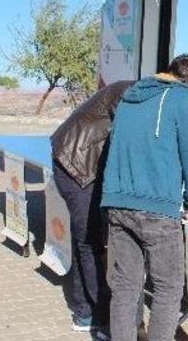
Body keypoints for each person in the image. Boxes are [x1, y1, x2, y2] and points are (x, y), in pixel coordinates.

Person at [101, 54, 188, 341]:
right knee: (168, 288)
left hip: (118, 201)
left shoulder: (129, 96)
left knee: (125, 286)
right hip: (157, 208)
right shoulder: (184, 97)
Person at [50, 79, 134, 334]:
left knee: (87, 240)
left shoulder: (136, 94)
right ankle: (100, 315)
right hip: (75, 165)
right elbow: (127, 138)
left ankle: (84, 310)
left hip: (84, 165)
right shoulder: (129, 92)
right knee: (89, 240)